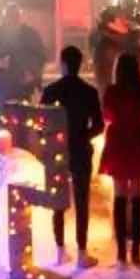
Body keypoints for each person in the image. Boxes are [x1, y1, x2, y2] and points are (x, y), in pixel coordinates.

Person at [39, 44, 104, 264]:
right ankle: (82, 252)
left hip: (57, 151)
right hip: (81, 151)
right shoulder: (89, 92)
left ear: (63, 64)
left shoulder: (51, 91)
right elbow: (99, 125)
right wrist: (83, 136)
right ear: (80, 64)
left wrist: (52, 140)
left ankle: (59, 250)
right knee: (82, 200)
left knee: (58, 201)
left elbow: (41, 123)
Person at [99, 50, 140, 267]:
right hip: (139, 140)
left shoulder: (112, 91)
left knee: (120, 195)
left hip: (118, 140)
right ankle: (136, 250)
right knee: (138, 196)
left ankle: (121, 251)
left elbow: (107, 116)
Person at [0, 2, 49, 103]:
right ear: (4, 18)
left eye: (16, 16)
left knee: (23, 111)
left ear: (20, 17)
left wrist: (32, 74)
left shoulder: (31, 36)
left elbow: (41, 57)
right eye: (10, 16)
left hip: (24, 87)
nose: (13, 20)